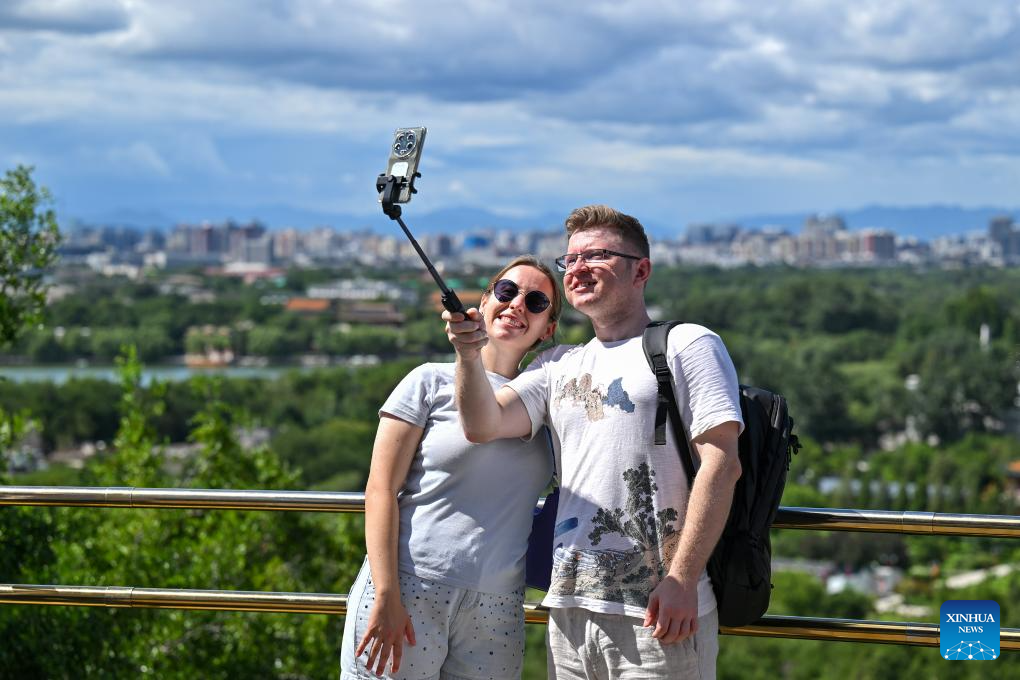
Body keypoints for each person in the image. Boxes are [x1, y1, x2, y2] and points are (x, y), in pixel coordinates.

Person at [445, 205, 744, 679]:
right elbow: (482, 424)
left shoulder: (688, 344)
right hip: (567, 610)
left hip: (660, 613)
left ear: (640, 270)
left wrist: (683, 580)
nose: (578, 268)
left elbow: (722, 465)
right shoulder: (558, 364)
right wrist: (466, 353)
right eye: (570, 260)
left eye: (597, 255)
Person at [340, 255, 562, 680]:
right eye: (507, 291)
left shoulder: (548, 404)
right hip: (408, 586)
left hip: (497, 605)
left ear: (547, 329)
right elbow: (381, 489)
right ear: (484, 301)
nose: (517, 305)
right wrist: (386, 593)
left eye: (536, 302)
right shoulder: (428, 381)